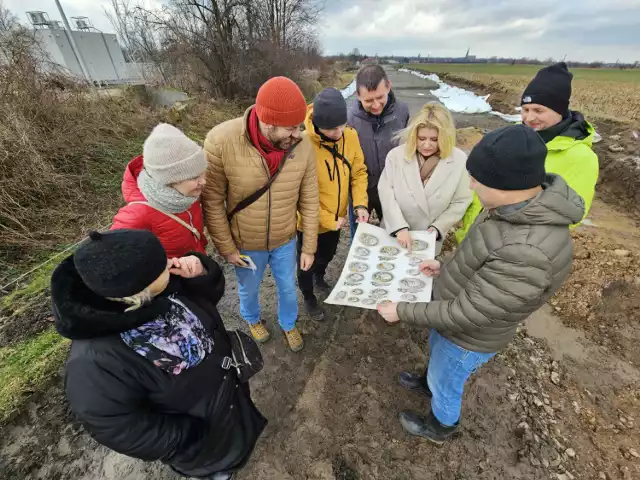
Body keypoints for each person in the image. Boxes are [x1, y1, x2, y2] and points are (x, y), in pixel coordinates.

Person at [377, 125, 584, 444]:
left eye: (477, 180)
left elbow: (468, 313)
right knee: (437, 361)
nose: (471, 185)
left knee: (447, 381)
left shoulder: (528, 251)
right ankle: (428, 383)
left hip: (468, 336)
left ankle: (441, 425)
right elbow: (480, 258)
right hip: (454, 321)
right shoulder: (509, 210)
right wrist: (443, 266)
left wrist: (402, 310)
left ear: (505, 184)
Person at [52, 229, 266, 480]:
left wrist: (200, 275)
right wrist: (187, 437)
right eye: (161, 265)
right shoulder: (93, 362)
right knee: (219, 471)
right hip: (202, 442)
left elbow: (204, 303)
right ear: (137, 287)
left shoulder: (157, 291)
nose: (170, 262)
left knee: (239, 435)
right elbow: (116, 426)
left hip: (229, 398)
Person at [202, 77, 319, 352]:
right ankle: (252, 319)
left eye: (300, 126)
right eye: (291, 128)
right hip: (245, 243)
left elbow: (311, 199)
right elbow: (212, 202)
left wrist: (309, 247)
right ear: (268, 123)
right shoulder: (220, 141)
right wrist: (227, 248)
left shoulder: (303, 146)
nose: (298, 134)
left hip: (285, 239)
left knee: (288, 288)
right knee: (249, 290)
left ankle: (289, 323)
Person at [455, 62, 599, 243]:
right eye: (525, 110)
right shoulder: (514, 137)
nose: (529, 118)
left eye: (539, 110)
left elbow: (570, 214)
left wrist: (508, 239)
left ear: (560, 111)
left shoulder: (581, 157)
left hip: (514, 247)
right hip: (477, 237)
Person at [298, 88, 369, 320]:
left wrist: (360, 205)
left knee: (327, 255)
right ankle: (308, 296)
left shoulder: (350, 136)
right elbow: (299, 195)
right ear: (318, 124)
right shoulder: (302, 145)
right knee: (305, 263)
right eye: (331, 128)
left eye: (341, 125)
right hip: (308, 223)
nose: (338, 132)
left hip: (336, 220)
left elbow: (358, 172)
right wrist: (329, 219)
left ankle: (320, 277)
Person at [378, 102, 472, 255]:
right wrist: (399, 227)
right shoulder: (396, 156)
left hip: (428, 238)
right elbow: (386, 192)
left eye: (434, 139)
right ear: (413, 134)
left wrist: (439, 227)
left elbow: (461, 200)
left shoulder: (459, 160)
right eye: (421, 138)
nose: (427, 145)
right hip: (395, 233)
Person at [112, 123, 208, 258]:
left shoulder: (187, 195)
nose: (203, 181)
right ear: (169, 180)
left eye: (203, 173)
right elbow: (114, 258)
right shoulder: (138, 215)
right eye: (194, 177)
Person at [347, 65, 410, 241]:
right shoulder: (349, 119)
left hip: (392, 190)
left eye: (380, 97)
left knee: (393, 234)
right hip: (361, 191)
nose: (376, 105)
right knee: (359, 238)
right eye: (368, 101)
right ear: (358, 95)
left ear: (388, 87)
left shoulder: (402, 112)